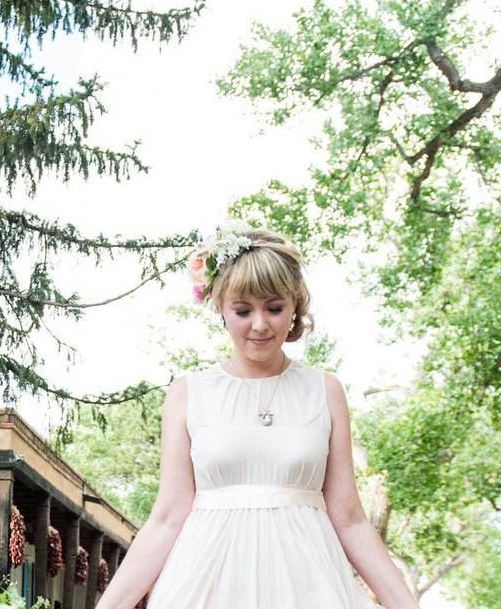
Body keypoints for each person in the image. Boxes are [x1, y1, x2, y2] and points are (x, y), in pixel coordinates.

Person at [94, 222, 421, 608]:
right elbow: (167, 518)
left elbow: (350, 518)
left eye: (275, 308)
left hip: (310, 586)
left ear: (295, 306)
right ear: (221, 309)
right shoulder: (188, 394)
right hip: (207, 585)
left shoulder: (325, 390)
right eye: (244, 310)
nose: (260, 325)